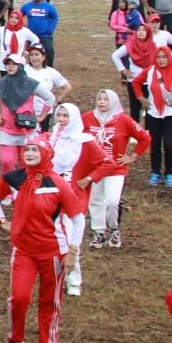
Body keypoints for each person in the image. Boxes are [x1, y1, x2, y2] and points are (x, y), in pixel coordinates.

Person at [0, 135, 86, 343]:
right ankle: (15, 339)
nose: (29, 154)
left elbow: (78, 219)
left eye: (35, 150)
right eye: (27, 150)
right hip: (23, 250)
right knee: (19, 297)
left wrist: (73, 251)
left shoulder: (58, 183)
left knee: (51, 299)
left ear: (46, 154)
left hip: (53, 251)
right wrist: (2, 220)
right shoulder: (15, 178)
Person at [46, 101, 116, 297]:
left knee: (69, 238)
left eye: (65, 116)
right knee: (50, 238)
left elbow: (107, 163)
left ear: (74, 118)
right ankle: (54, 275)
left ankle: (74, 280)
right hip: (49, 195)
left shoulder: (84, 141)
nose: (61, 120)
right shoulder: (49, 138)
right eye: (58, 116)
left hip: (73, 197)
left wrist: (89, 179)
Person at [83, 89, 148, 251]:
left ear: (113, 101)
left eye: (106, 99)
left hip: (115, 168)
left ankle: (114, 229)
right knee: (95, 200)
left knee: (112, 201)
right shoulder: (87, 118)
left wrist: (132, 157)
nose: (102, 102)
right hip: (94, 167)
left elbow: (145, 138)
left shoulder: (123, 120)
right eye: (99, 98)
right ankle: (98, 231)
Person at [131, 45, 172, 188]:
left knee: (169, 145)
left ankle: (170, 173)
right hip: (153, 114)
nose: (161, 60)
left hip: (171, 115)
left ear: (169, 57)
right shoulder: (149, 71)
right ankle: (155, 172)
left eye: (164, 57)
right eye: (158, 57)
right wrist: (141, 98)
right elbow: (136, 82)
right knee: (154, 145)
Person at [0, 54, 56, 173]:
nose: (10, 67)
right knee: (7, 162)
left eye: (14, 64)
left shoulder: (31, 83)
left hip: (27, 130)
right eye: (8, 64)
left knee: (26, 164)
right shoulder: (1, 83)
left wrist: (42, 116)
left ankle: (25, 189)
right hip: (7, 130)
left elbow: (50, 98)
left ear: (20, 66)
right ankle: (8, 188)